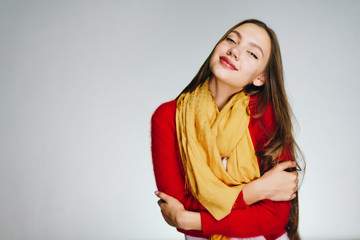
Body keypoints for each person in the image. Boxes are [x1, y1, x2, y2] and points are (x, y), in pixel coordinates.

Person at [151, 19, 304, 240]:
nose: (234, 50)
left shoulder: (264, 116)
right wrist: (257, 190)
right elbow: (177, 203)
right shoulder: (168, 117)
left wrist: (190, 219)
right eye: (231, 39)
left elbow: (274, 218)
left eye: (252, 54)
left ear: (260, 77)